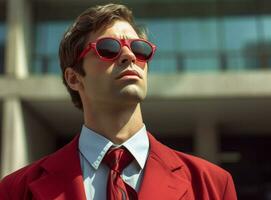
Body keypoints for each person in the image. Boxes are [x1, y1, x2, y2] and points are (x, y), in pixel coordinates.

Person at [0, 3, 237, 200]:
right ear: (74, 78)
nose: (129, 55)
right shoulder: (15, 190)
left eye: (140, 48)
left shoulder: (213, 185)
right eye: (109, 48)